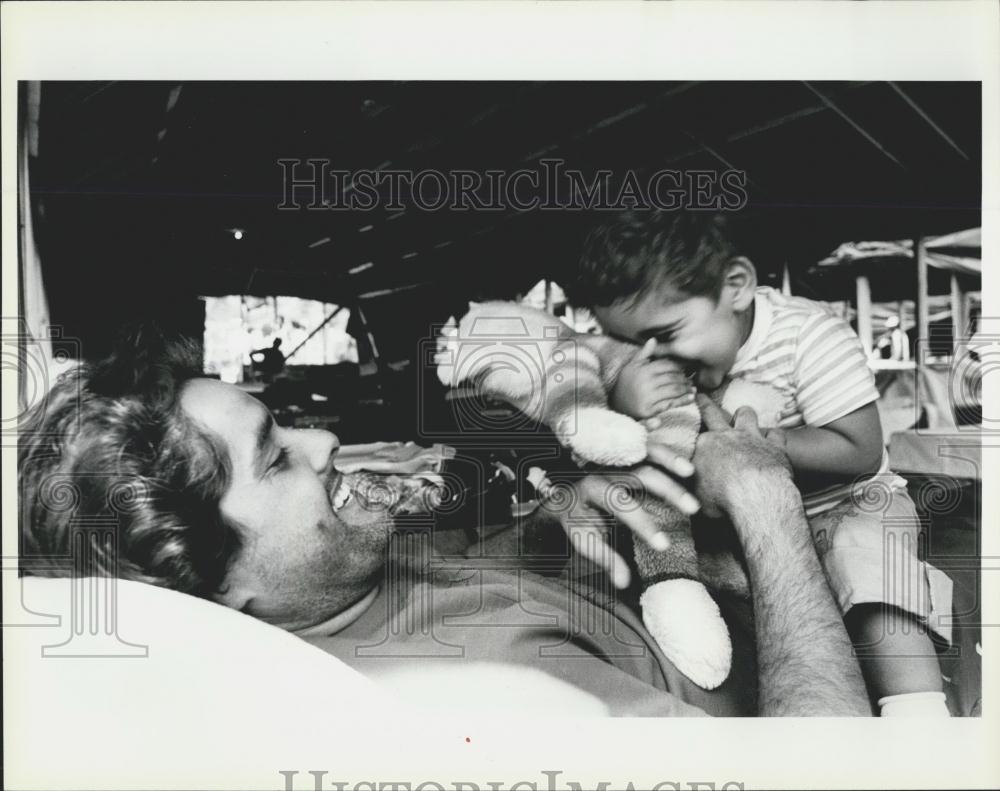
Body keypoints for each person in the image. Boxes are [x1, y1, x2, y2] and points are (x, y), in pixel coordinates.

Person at [18, 328, 870, 716]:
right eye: (276, 456)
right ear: (221, 590)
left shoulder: (341, 584)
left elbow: (460, 579)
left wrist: (549, 521)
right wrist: (769, 507)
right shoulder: (481, 700)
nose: (325, 439)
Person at [565, 209, 953, 716]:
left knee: (873, 571)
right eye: (630, 344)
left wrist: (765, 445)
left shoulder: (809, 335)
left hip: (848, 505)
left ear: (737, 286)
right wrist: (629, 400)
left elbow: (859, 450)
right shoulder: (652, 364)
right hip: (737, 525)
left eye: (667, 333)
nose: (652, 358)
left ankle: (918, 711)